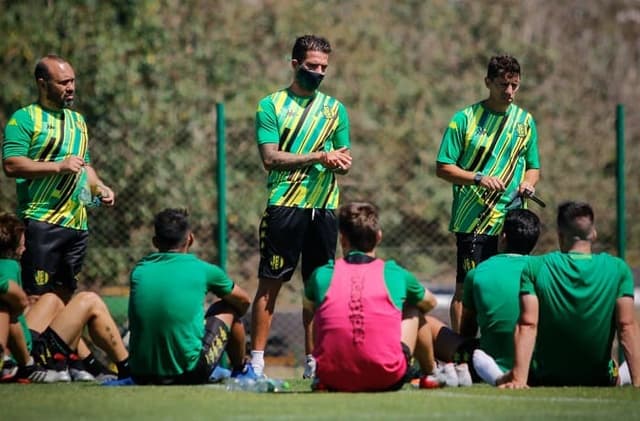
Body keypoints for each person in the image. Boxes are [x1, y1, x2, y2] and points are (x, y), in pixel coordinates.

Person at [2, 54, 116, 379]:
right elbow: (12, 165)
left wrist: (99, 188)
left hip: (76, 224)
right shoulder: (24, 119)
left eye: (73, 81)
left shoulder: (78, 121)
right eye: (63, 82)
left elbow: (85, 166)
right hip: (41, 222)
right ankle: (28, 363)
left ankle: (64, 361)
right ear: (42, 83)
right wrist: (57, 166)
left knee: (64, 298)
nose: (71, 87)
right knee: (38, 298)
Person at [251, 34, 352, 377]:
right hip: (285, 205)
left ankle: (315, 364)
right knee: (270, 283)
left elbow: (344, 156)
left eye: (324, 67)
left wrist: (340, 162)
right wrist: (319, 156)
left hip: (323, 208)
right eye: (312, 66)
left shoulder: (336, 109)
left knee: (319, 288)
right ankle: (256, 363)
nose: (319, 72)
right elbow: (270, 158)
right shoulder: (270, 106)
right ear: (295, 64)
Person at [304, 201, 465, 392]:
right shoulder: (394, 273)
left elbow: (310, 310)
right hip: (385, 376)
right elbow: (430, 302)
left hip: (332, 377)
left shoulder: (321, 275)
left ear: (342, 239)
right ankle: (430, 374)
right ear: (378, 237)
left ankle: (318, 371)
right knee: (414, 311)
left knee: (317, 312)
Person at [435, 55, 540, 333]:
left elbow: (533, 166)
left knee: (514, 287)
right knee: (466, 288)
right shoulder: (464, 119)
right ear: (488, 83)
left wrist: (529, 183)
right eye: (503, 84)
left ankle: (504, 345)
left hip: (512, 221)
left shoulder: (525, 121)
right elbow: (443, 167)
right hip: (474, 220)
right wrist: (478, 178)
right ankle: (463, 351)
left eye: (515, 85)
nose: (509, 92)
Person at [499, 201, 640, 388]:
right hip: (599, 379)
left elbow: (528, 324)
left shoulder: (536, 267)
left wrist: (519, 380)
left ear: (560, 235)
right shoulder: (618, 269)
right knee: (615, 368)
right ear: (594, 234)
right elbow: (626, 326)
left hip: (544, 378)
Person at [127, 208, 253, 385]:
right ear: (190, 239)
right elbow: (244, 301)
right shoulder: (204, 270)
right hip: (189, 373)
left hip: (140, 374)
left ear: (155, 241)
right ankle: (242, 370)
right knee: (228, 307)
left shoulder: (138, 271)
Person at [0, 212, 129, 383]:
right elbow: (13, 300)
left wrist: (27, 306)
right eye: (23, 244)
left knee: (51, 299)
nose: (25, 249)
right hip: (28, 356)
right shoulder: (8, 266)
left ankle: (79, 365)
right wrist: (22, 302)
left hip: (25, 342)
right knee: (89, 300)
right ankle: (125, 367)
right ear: (13, 245)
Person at [460, 209, 541, 380]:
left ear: (503, 237)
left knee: (432, 327)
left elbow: (467, 330)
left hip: (487, 367)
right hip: (537, 368)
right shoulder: (546, 270)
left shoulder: (476, 273)